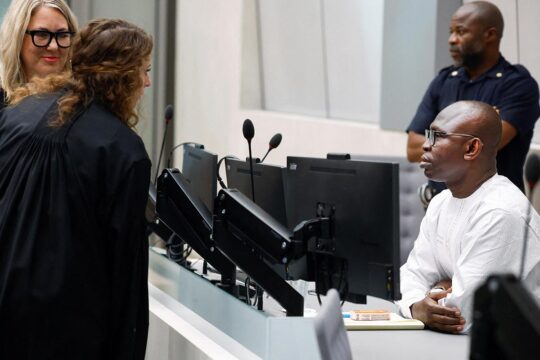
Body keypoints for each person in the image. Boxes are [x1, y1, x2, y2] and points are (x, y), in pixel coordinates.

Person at [0, 18, 153, 359]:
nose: (148, 81)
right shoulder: (122, 150)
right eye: (143, 70)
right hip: (66, 333)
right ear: (123, 76)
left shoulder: (18, 114)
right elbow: (125, 277)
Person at [397, 100, 540, 334]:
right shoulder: (441, 202)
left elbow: (460, 315)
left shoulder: (500, 212)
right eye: (427, 134)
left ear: (472, 149)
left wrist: (430, 296)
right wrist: (419, 303)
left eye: (437, 136)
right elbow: (410, 275)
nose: (424, 145)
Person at [406, 1, 540, 195]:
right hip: (440, 205)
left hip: (493, 207)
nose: (452, 39)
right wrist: (456, 139)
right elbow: (412, 148)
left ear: (490, 35)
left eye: (461, 32)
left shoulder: (517, 84)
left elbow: (486, 145)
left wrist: (435, 136)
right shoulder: (444, 81)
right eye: (451, 32)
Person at [0, 0, 78, 109]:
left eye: (62, 35)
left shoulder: (83, 97)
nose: (54, 46)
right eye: (42, 34)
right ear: (17, 38)